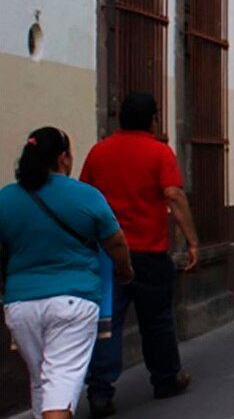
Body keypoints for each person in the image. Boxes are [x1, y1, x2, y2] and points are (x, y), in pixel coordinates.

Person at [1, 127, 134, 419]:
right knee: (59, 385)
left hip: (20, 305)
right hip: (73, 301)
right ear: (63, 159)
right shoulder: (86, 196)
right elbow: (116, 241)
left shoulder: (6, 198)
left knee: (42, 381)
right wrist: (125, 271)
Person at [83, 93, 201, 417]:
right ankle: (165, 378)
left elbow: (86, 196)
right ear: (153, 120)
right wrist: (192, 240)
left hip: (107, 254)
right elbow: (174, 196)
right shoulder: (159, 152)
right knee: (158, 321)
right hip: (149, 251)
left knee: (107, 322)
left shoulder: (99, 152)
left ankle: (100, 392)